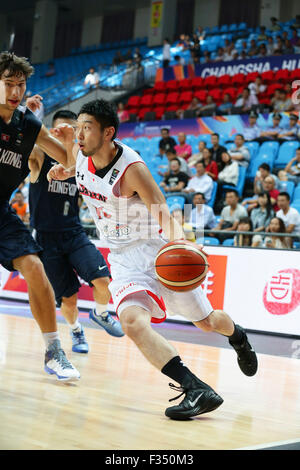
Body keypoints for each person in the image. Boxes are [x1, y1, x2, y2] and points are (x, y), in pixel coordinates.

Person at [48, 98, 257, 420]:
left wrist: (184, 244)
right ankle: (196, 388)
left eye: (86, 128)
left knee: (206, 322)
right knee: (131, 322)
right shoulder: (81, 153)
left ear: (108, 133)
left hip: (156, 251)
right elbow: (81, 172)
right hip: (122, 258)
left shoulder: (133, 170)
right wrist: (65, 171)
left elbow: (163, 211)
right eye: (78, 128)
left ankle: (238, 337)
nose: (79, 135)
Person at [0, 51, 79, 381]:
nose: (15, 92)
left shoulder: (29, 125)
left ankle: (53, 350)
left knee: (34, 266)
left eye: (21, 85)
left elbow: (71, 163)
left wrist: (72, 140)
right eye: (8, 84)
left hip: (1, 213)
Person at [29, 109, 124, 354]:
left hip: (74, 233)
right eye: (62, 129)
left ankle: (101, 313)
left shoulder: (82, 161)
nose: (69, 133)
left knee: (103, 281)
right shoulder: (40, 156)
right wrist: (30, 116)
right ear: (52, 132)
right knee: (69, 299)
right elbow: (28, 144)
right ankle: (76, 331)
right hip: (46, 240)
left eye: (74, 129)